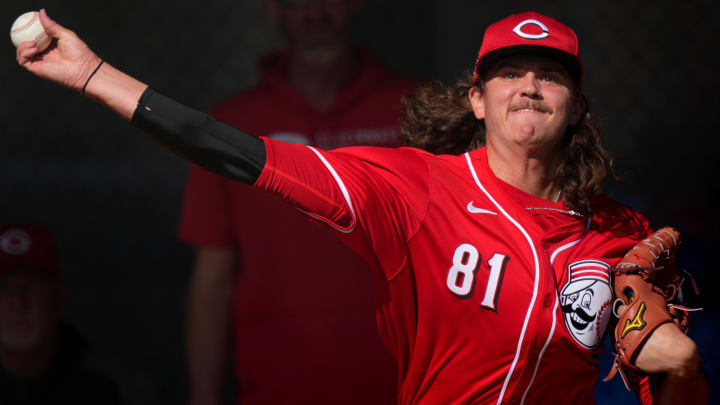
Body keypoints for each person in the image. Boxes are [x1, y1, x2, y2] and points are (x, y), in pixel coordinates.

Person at [15, 9, 710, 405]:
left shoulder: (620, 233)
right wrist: (92, 75)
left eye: (550, 75)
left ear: (576, 106)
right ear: (477, 99)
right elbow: (235, 151)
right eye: (508, 73)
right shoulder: (409, 189)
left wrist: (683, 371)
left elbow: (666, 382)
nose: (529, 86)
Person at [179, 1, 417, 404]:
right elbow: (212, 283)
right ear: (272, 9)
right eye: (296, 1)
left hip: (402, 387)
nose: (313, 12)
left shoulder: (414, 111)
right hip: (274, 387)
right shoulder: (232, 125)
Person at [0, 224, 123, 404]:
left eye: (31, 288)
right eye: (4, 289)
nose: (18, 303)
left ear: (58, 298)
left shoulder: (109, 385)